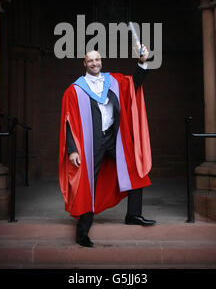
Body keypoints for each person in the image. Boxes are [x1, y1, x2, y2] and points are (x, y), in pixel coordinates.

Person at [59, 46, 155, 247]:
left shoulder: (112, 81)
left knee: (134, 170)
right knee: (87, 182)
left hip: (113, 137)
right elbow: (68, 122)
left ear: (101, 61)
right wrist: (72, 149)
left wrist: (142, 62)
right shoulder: (74, 90)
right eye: (90, 61)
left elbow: (134, 83)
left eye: (98, 59)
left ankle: (133, 214)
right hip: (90, 141)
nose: (95, 63)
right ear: (84, 64)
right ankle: (83, 231)